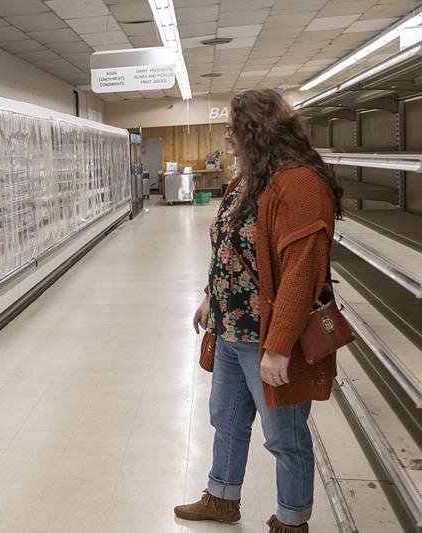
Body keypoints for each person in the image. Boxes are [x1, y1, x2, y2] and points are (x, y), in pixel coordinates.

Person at [174, 89, 343, 533]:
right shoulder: (251, 179)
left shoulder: (300, 182)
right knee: (225, 419)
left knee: (284, 437)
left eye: (233, 128)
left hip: (268, 338)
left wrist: (279, 347)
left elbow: (301, 272)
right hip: (231, 330)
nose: (228, 138)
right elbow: (229, 246)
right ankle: (222, 497)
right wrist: (211, 294)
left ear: (257, 130)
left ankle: (292, 520)